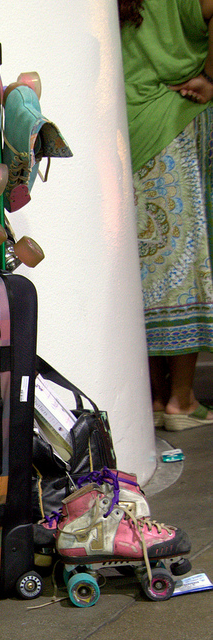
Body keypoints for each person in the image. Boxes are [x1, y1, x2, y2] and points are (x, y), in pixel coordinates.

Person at [118, 0, 213, 430]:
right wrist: (210, 79)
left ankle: (156, 396)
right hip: (169, 128)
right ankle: (182, 399)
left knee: (142, 268)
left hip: (123, 129)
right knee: (179, 265)